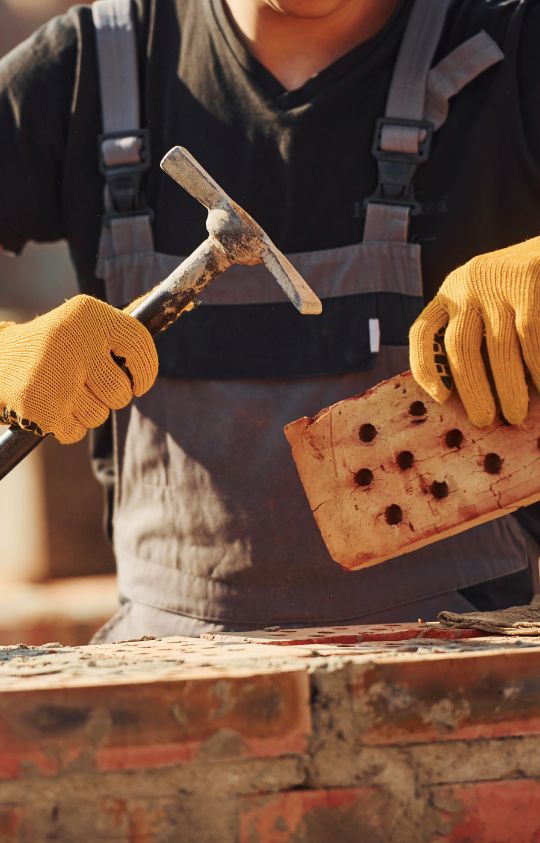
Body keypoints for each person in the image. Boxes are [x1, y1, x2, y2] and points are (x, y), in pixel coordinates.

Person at [1, 0, 539, 642]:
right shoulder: (89, 68)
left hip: (468, 683)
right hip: (168, 685)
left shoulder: (513, 44)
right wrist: (6, 357)